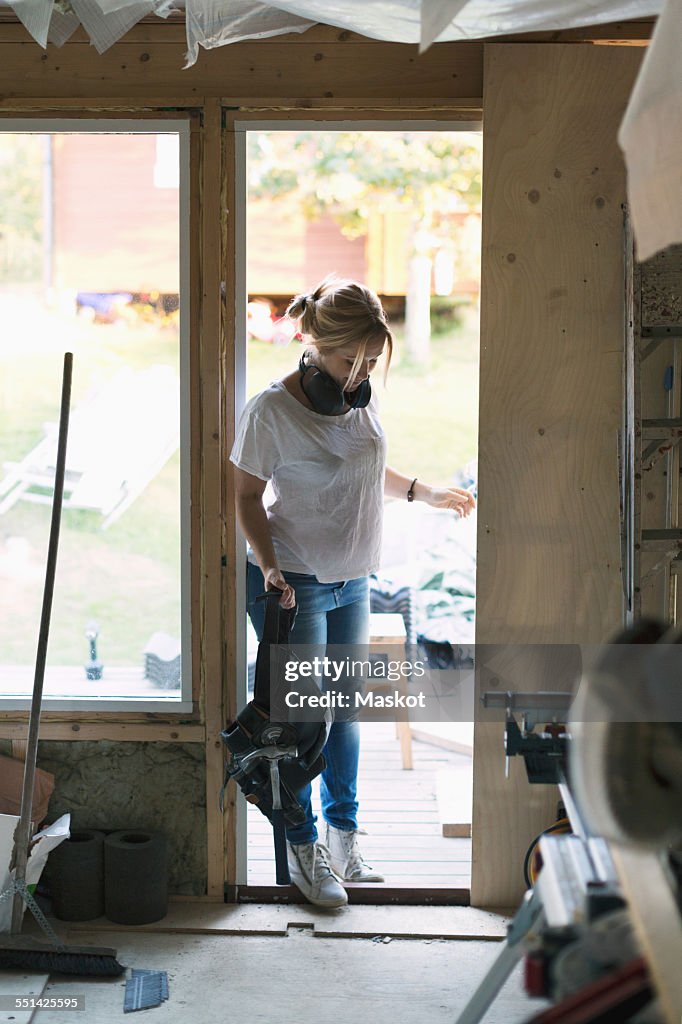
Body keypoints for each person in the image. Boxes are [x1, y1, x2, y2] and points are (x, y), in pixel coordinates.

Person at [230, 275, 475, 908]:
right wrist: (271, 566)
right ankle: (304, 846)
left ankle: (343, 836)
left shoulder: (356, 398)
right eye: (349, 359)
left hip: (354, 578)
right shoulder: (271, 410)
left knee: (346, 717)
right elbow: (246, 497)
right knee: (303, 723)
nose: (359, 371)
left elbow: (363, 463)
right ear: (311, 343)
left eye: (370, 359)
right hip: (299, 584)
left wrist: (426, 492)